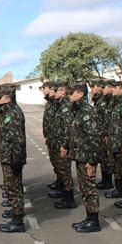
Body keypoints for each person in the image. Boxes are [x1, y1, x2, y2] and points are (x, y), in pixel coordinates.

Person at [67, 82, 101, 232]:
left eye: (71, 92)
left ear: (80, 93)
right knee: (85, 188)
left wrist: (92, 161)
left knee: (89, 188)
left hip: (87, 158)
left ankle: (93, 221)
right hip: (81, 156)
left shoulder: (87, 111)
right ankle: (89, 218)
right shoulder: (79, 110)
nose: (69, 95)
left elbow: (94, 137)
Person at [0, 84, 27, 233]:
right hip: (7, 156)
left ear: (7, 97)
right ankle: (16, 214)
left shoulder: (12, 114)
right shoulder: (7, 112)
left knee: (15, 190)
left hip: (11, 158)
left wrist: (16, 161)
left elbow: (18, 140)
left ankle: (18, 222)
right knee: (13, 188)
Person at [51, 81, 76, 209]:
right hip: (58, 142)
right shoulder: (61, 104)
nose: (54, 93)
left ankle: (69, 198)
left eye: (57, 90)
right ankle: (64, 193)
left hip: (63, 144)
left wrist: (65, 145)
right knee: (62, 170)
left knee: (65, 171)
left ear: (63, 92)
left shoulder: (66, 106)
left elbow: (68, 128)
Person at [90, 79, 113, 190]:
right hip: (99, 132)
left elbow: (107, 118)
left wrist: (105, 133)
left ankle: (108, 181)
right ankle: (105, 179)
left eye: (94, 86)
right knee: (103, 157)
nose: (92, 89)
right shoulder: (99, 99)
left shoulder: (107, 99)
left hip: (104, 133)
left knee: (106, 158)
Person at [40, 81, 60, 191]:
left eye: (44, 87)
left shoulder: (57, 103)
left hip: (57, 138)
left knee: (61, 165)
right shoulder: (50, 102)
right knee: (55, 163)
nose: (43, 90)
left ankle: (64, 190)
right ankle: (59, 181)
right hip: (51, 137)